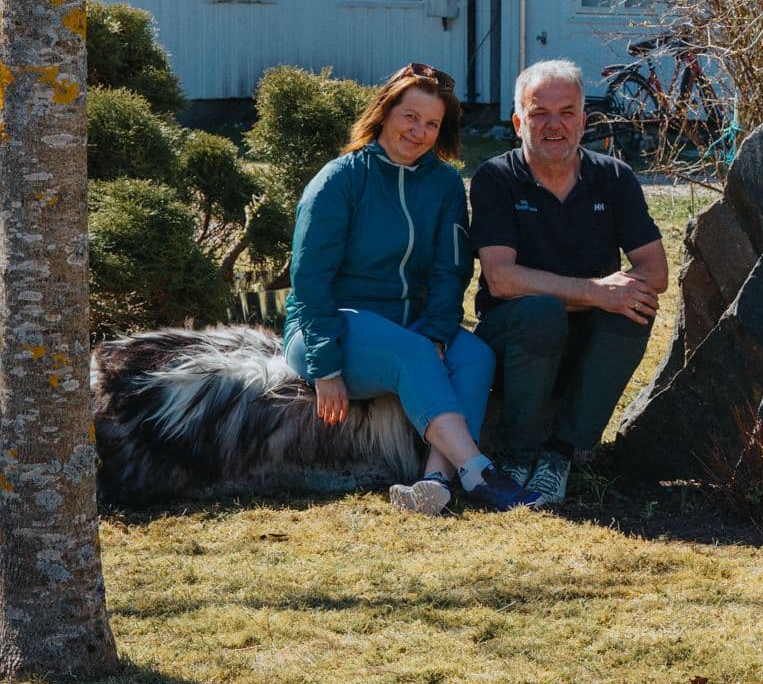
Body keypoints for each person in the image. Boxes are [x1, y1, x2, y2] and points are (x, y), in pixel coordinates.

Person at [283, 63, 522, 514]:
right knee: (410, 352)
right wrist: (325, 367)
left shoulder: (445, 184)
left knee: (476, 356)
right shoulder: (339, 179)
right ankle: (480, 473)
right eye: (409, 116)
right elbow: (310, 280)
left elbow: (451, 270)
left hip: (409, 324)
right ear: (384, 112)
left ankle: (436, 482)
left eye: (432, 124)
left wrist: (437, 333)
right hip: (329, 328)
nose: (418, 132)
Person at [471, 59, 667, 507]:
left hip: (583, 338)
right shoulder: (495, 178)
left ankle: (559, 455)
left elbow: (656, 273)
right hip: (514, 338)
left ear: (583, 121)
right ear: (518, 122)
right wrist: (596, 294)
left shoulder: (614, 177)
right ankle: (516, 457)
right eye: (539, 113)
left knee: (637, 306)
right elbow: (501, 280)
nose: (553, 125)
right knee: (542, 312)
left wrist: (604, 298)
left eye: (566, 112)